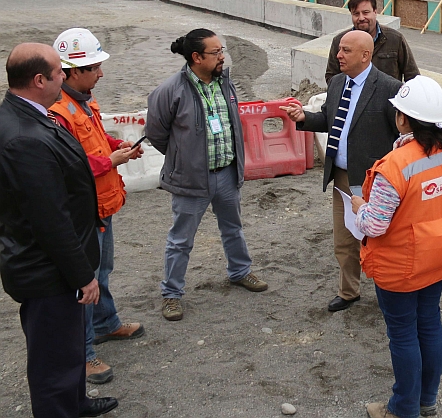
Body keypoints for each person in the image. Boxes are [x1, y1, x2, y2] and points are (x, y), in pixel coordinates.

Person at [0, 43, 118, 418]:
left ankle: (76, 402)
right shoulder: (24, 137)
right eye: (58, 73)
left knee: (66, 349)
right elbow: (49, 219)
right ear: (39, 80)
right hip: (47, 270)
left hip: (50, 265)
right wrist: (83, 275)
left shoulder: (30, 115)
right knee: (52, 357)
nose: (63, 77)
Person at [350, 76, 442, 418]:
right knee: (429, 323)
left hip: (401, 264)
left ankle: (403, 409)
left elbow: (375, 224)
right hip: (441, 253)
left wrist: (360, 206)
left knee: (403, 334)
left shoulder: (397, 165)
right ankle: (427, 400)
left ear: (403, 118)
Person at [145, 29, 268, 322]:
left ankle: (240, 272)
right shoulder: (170, 90)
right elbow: (156, 133)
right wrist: (183, 159)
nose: (222, 56)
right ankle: (171, 295)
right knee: (181, 240)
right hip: (191, 180)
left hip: (226, 173)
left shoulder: (225, 82)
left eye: (221, 50)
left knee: (233, 228)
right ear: (197, 57)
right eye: (216, 53)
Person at [50, 28, 146, 385]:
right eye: (95, 67)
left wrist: (117, 144)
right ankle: (85, 353)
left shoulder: (84, 102)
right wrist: (112, 159)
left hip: (101, 204)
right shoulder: (57, 114)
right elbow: (68, 166)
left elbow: (96, 138)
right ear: (74, 71)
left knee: (103, 270)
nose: (101, 74)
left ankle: (107, 323)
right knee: (85, 280)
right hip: (82, 209)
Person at [282, 30, 402, 312]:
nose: (338, 55)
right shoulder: (336, 83)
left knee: (383, 238)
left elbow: (400, 134)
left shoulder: (389, 88)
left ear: (365, 55)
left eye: (346, 50)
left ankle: (392, 293)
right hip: (342, 177)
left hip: (376, 180)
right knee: (345, 239)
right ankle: (349, 291)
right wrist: (304, 118)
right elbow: (329, 119)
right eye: (339, 49)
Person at [325, 0, 419, 85]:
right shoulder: (340, 41)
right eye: (356, 14)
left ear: (375, 12)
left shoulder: (395, 39)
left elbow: (412, 76)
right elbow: (331, 77)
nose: (361, 18)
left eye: (366, 12)